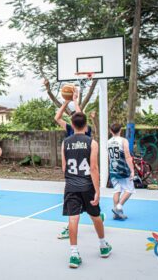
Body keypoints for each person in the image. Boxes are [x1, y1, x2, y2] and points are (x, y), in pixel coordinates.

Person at [62, 112, 112, 268]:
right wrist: (97, 190)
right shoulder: (92, 142)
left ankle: (74, 254)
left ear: (72, 123)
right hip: (87, 186)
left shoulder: (65, 143)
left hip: (71, 185)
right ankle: (103, 246)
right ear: (86, 124)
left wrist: (72, 180)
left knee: (73, 218)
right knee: (96, 216)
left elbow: (64, 168)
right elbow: (94, 168)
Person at [55, 89, 102, 239]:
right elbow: (58, 117)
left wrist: (73, 101)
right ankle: (98, 236)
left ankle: (73, 234)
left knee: (75, 213)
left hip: (75, 177)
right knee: (85, 210)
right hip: (83, 179)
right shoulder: (72, 131)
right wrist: (68, 101)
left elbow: (79, 116)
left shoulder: (83, 134)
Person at [108, 123, 135, 220]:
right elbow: (127, 156)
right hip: (123, 169)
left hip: (113, 169)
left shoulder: (108, 141)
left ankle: (116, 214)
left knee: (117, 190)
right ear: (120, 130)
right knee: (129, 189)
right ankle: (118, 207)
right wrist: (132, 170)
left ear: (111, 131)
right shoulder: (123, 140)